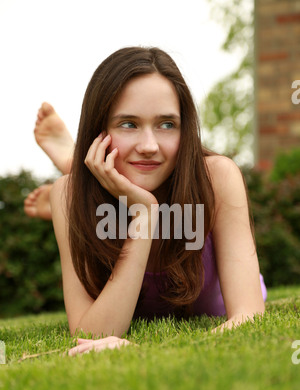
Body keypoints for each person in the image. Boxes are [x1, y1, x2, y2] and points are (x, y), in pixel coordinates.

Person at [26, 47, 267, 356]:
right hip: (87, 198)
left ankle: (75, 160)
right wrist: (143, 215)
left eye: (167, 124)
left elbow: (248, 316)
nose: (150, 146)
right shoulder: (68, 196)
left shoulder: (217, 178)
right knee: (73, 191)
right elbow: (92, 334)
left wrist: (155, 354)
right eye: (129, 124)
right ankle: (78, 166)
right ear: (98, 130)